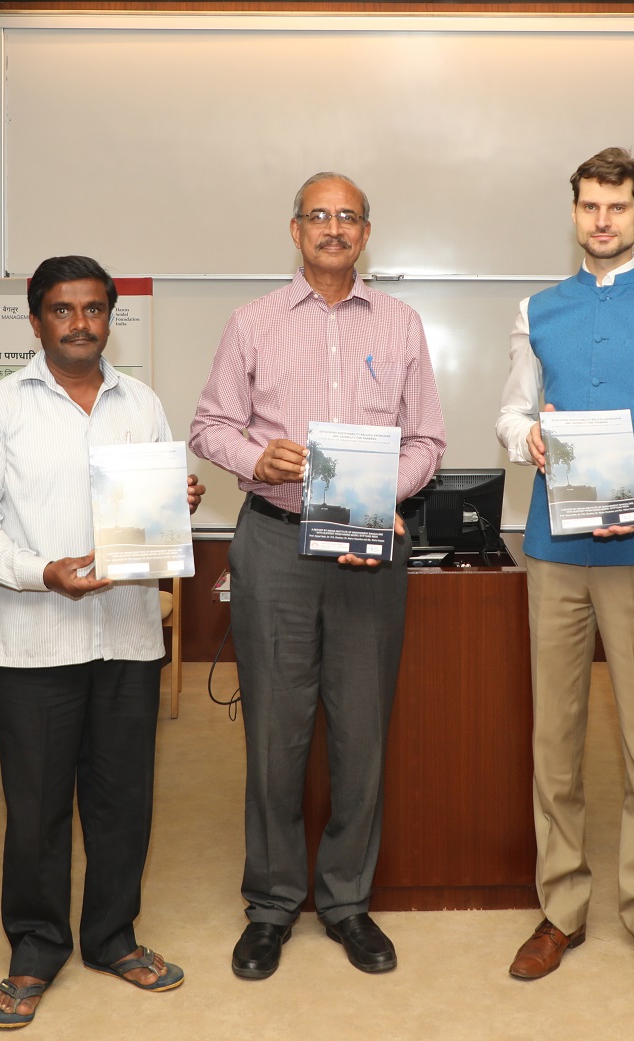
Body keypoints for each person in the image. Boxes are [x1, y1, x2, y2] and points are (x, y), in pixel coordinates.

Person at [190, 171, 445, 979]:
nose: (334, 229)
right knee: (275, 731)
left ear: (367, 233)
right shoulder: (253, 322)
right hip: (276, 540)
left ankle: (345, 901)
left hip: (369, 546)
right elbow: (209, 425)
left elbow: (428, 443)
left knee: (362, 731)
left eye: (349, 218)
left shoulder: (402, 323)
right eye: (319, 216)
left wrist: (379, 489)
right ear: (295, 229)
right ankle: (270, 905)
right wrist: (252, 454)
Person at [0, 255, 204, 1029]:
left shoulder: (142, 404)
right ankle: (34, 949)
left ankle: (113, 937)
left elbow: (158, 517)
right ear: (35, 321)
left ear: (108, 317)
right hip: (35, 642)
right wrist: (41, 572)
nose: (80, 323)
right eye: (63, 310)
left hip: (126, 637)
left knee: (124, 801)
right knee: (36, 807)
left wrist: (177, 500)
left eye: (94, 309)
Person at [494, 147, 634, 990]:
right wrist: (530, 439)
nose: (601, 221)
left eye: (616, 207)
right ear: (575, 212)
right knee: (554, 738)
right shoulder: (537, 310)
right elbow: (511, 416)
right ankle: (561, 908)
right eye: (588, 206)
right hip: (555, 552)